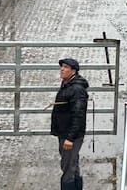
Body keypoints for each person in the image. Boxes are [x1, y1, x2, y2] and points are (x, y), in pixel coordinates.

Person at [51, 58, 89, 190]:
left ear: (73, 71)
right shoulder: (67, 84)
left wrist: (70, 138)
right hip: (65, 133)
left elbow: (79, 115)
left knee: (67, 168)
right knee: (72, 165)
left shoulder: (76, 90)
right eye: (62, 66)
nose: (62, 69)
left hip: (70, 135)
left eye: (66, 67)